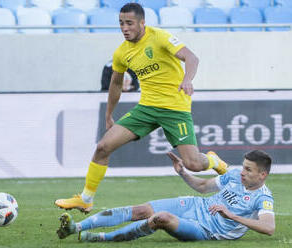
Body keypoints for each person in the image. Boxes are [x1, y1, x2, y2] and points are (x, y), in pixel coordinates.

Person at [54, 3, 228, 213]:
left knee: (193, 164)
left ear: (142, 23)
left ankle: (213, 160)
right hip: (146, 108)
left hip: (175, 108)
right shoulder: (121, 53)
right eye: (121, 23)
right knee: (102, 147)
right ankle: (86, 199)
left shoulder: (159, 37)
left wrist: (187, 79)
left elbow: (192, 57)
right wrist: (109, 115)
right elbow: (116, 83)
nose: (124, 28)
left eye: (129, 23)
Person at [56, 150, 275, 242]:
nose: (242, 172)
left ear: (262, 174)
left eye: (249, 170)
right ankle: (75, 228)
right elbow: (202, 187)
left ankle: (100, 238)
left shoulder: (263, 198)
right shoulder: (235, 175)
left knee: (160, 218)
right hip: (196, 205)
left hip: (208, 230)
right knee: (140, 210)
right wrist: (182, 172)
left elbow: (268, 228)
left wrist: (231, 215)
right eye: (244, 167)